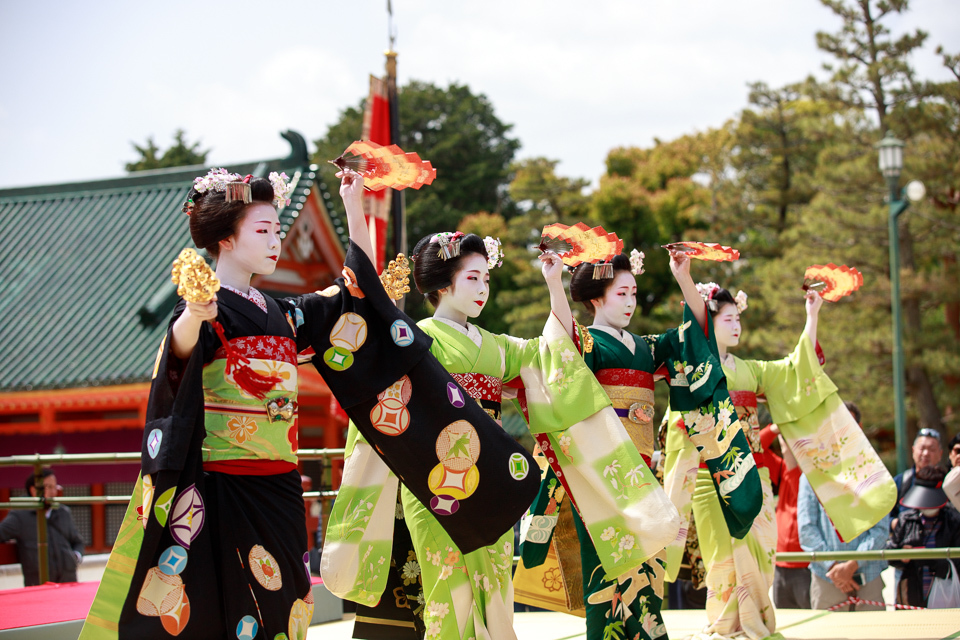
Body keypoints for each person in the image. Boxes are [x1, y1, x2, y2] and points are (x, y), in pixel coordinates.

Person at [80, 168, 466, 639]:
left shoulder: (284, 313)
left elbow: (354, 295)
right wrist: (194, 317)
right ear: (224, 238)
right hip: (223, 485)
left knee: (288, 606)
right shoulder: (206, 305)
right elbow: (179, 356)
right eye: (262, 231)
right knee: (230, 607)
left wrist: (353, 205)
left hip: (281, 485)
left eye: (277, 231)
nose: (274, 241)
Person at [325, 232, 680, 640]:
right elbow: (373, 324)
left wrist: (553, 282)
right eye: (472, 278)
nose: (483, 289)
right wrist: (355, 207)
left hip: (491, 481)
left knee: (496, 591)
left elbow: (555, 351)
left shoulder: (496, 346)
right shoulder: (417, 338)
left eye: (486, 280)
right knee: (448, 590)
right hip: (436, 484)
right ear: (443, 285)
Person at [662, 284, 895, 639]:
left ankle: (756, 622)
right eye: (728, 319)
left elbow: (796, 369)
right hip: (713, 477)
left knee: (758, 554)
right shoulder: (696, 370)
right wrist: (682, 277)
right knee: (722, 557)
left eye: (738, 318)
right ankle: (727, 625)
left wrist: (812, 315)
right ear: (710, 322)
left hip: (753, 476)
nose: (737, 325)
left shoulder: (752, 371)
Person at [516, 248, 708, 640]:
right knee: (604, 571)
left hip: (642, 474)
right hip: (604, 474)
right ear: (596, 299)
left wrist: (683, 276)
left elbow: (694, 336)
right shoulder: (589, 343)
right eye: (622, 294)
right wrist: (554, 281)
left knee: (648, 572)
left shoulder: (646, 348)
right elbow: (561, 342)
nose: (631, 302)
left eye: (634, 293)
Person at [797, 425, 890, 612]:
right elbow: (806, 530)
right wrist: (835, 567)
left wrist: (852, 564)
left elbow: (881, 529)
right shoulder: (810, 476)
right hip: (826, 578)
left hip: (868, 578)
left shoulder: (874, 473)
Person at [886, 465, 960, 608]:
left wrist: (929, 559)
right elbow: (890, 554)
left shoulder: (954, 521)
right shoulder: (906, 519)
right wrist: (901, 556)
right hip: (911, 595)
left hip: (945, 597)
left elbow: (958, 564)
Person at [0, 469, 85, 587]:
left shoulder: (63, 512)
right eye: (48, 487)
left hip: (68, 582)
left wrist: (75, 557)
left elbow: (77, 542)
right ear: (33, 490)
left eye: (55, 487)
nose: (53, 492)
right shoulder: (20, 515)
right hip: (39, 585)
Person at [762, 422, 810, 610]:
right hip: (780, 564)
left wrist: (789, 454)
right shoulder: (783, 470)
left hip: (807, 565)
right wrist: (775, 428)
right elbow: (752, 448)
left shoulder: (814, 477)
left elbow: (800, 493)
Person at [890, 429, 944, 527]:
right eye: (922, 448)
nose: (926, 453)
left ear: (940, 454)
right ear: (913, 450)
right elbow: (886, 515)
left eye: (932, 449)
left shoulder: (946, 483)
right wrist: (897, 525)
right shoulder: (900, 482)